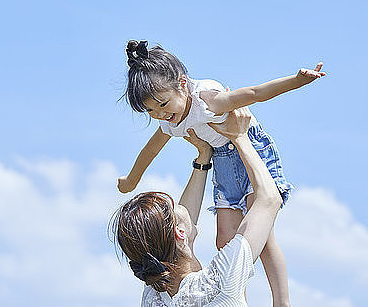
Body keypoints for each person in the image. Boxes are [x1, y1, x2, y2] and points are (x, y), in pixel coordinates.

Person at [117, 40, 325, 306]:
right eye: (151, 111)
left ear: (182, 84)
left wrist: (296, 80)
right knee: (225, 240)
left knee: (263, 234)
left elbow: (254, 92)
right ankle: (237, 298)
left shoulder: (207, 100)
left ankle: (281, 301)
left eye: (163, 104)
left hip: (248, 147)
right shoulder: (169, 121)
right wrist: (131, 179)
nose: (160, 114)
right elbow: (150, 151)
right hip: (223, 160)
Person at [111, 107, 285, 306]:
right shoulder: (218, 281)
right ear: (180, 233)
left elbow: (182, 226)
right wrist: (240, 138)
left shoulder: (154, 296)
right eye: (176, 207)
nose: (182, 206)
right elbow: (270, 200)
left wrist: (203, 157)